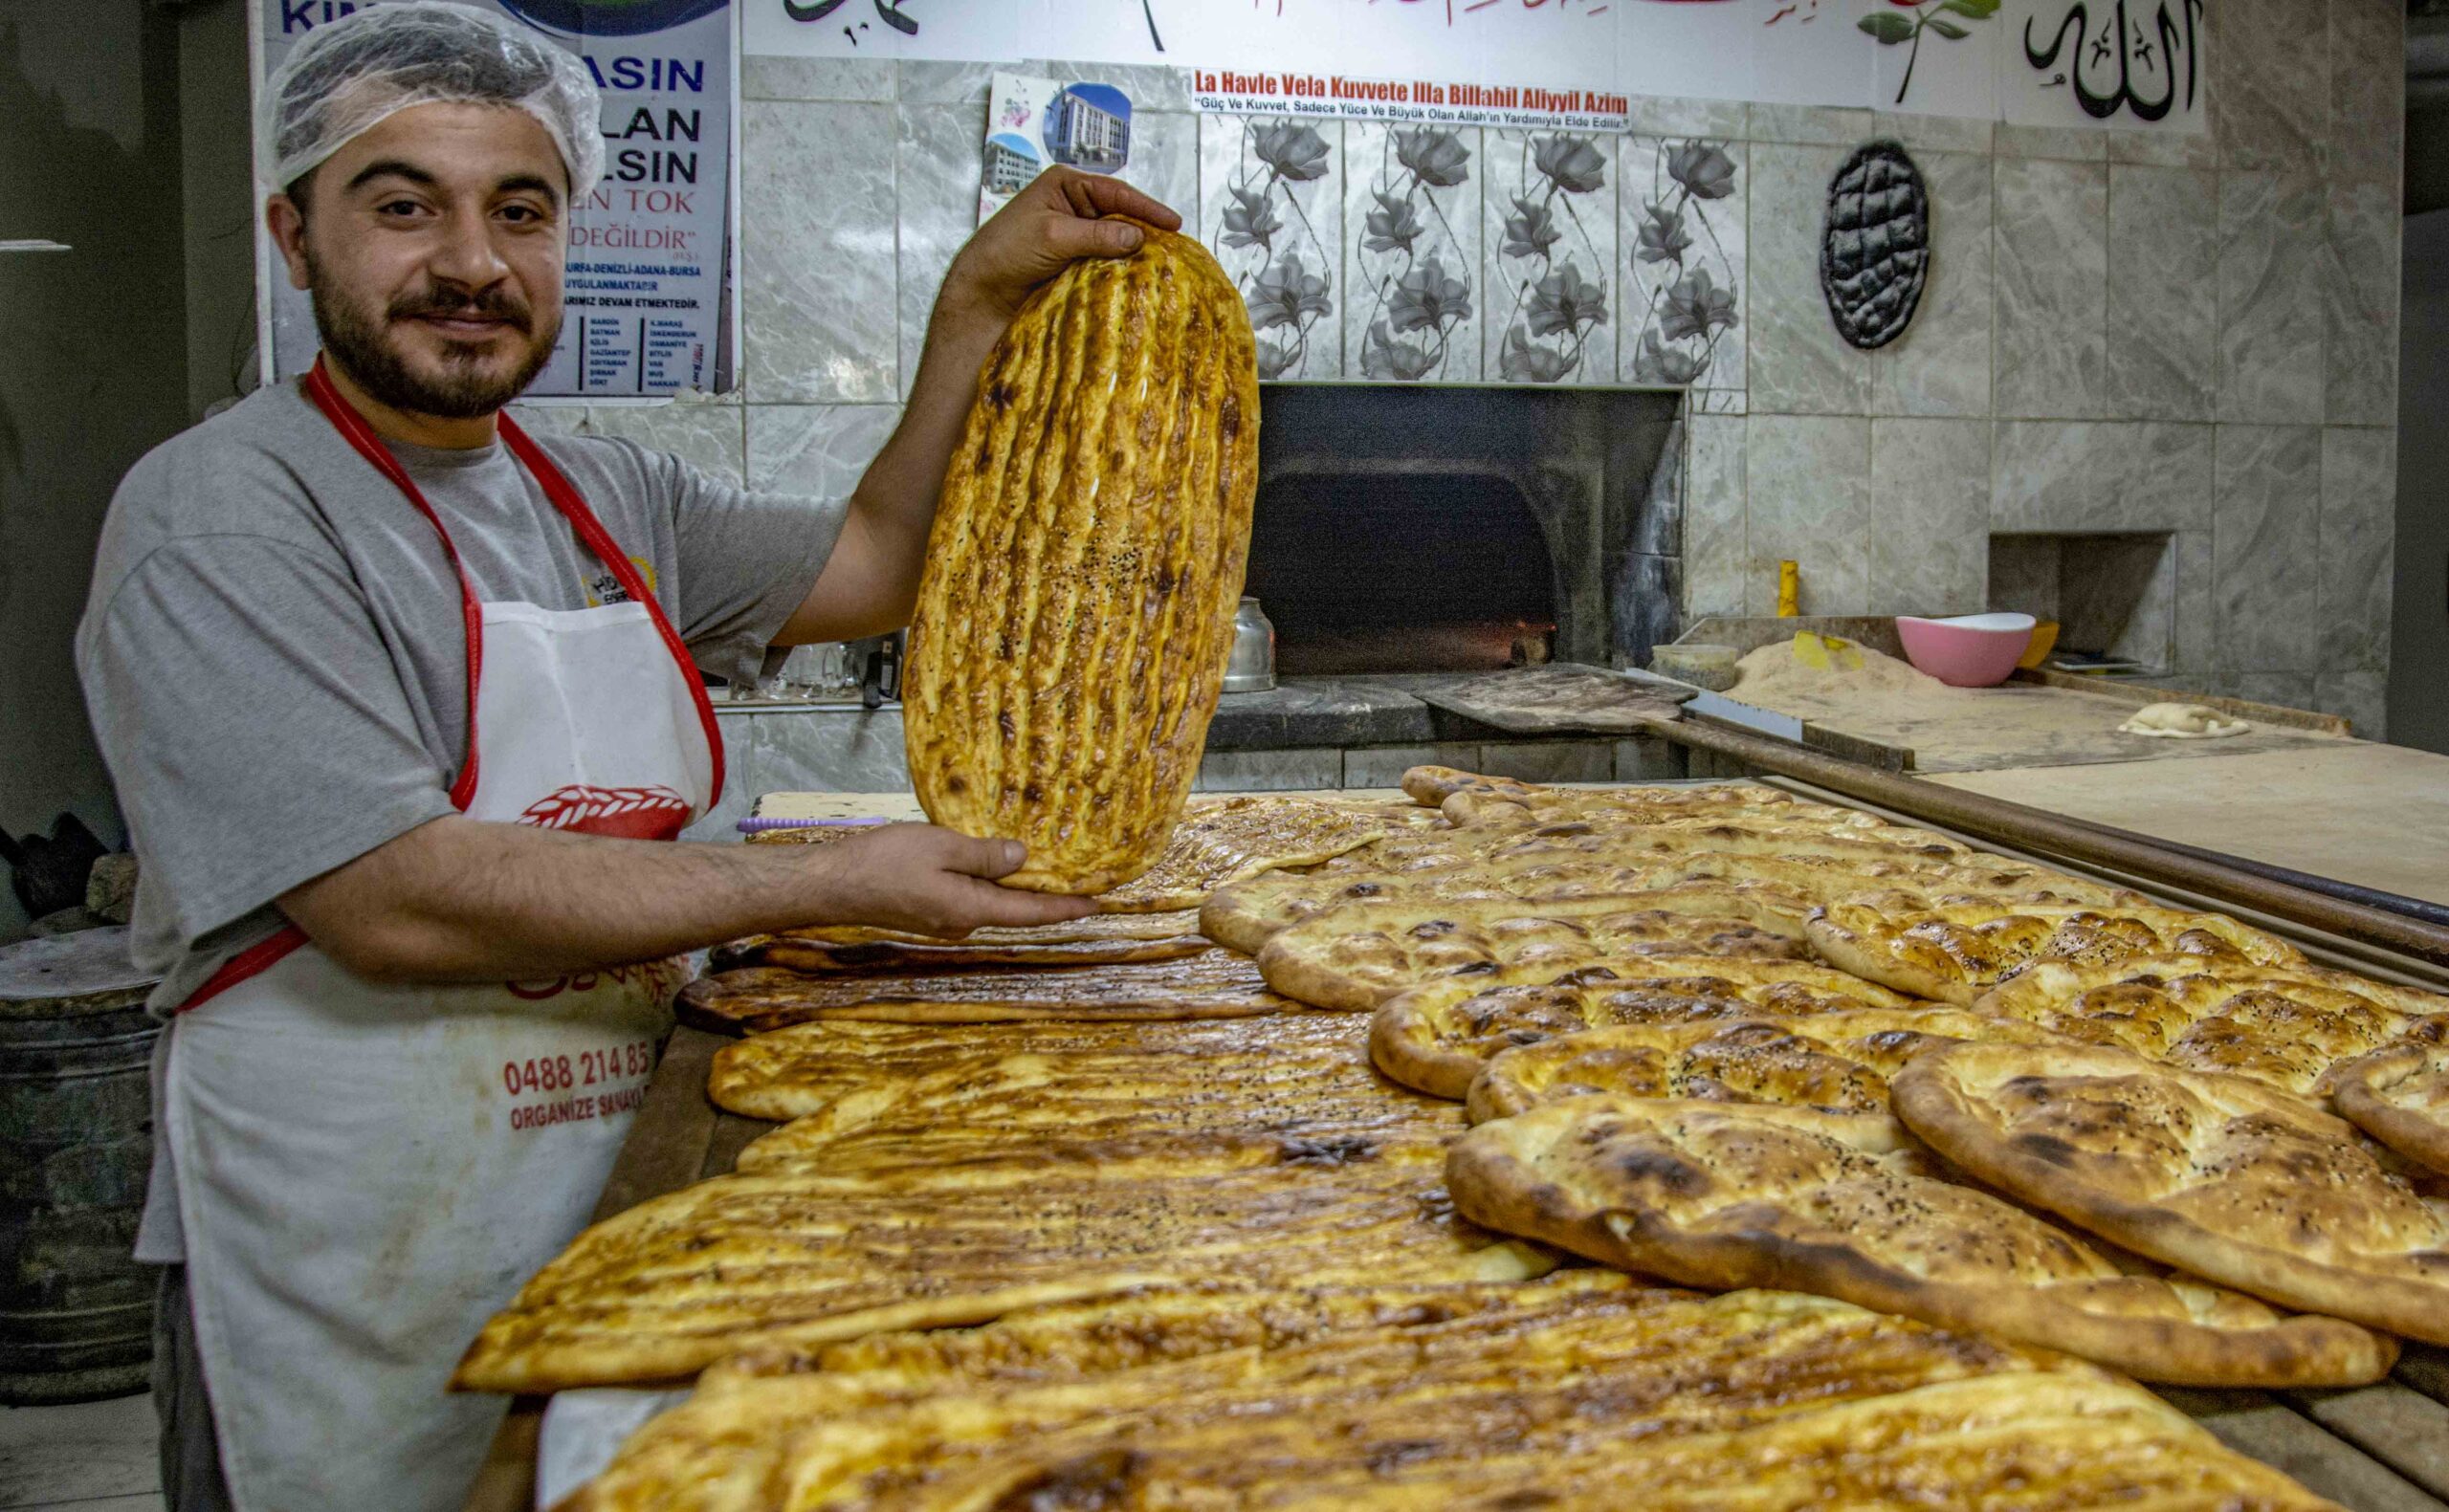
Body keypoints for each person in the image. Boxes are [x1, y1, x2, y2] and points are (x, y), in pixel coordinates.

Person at [73, 5, 1180, 1507]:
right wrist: (832, 876)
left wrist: (974, 308)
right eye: (403, 206)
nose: (470, 261)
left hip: (609, 1184)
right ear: (292, 232)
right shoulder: (222, 516)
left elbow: (880, 558)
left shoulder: (602, 491)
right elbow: (393, 896)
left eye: (518, 211)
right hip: (346, 1227)